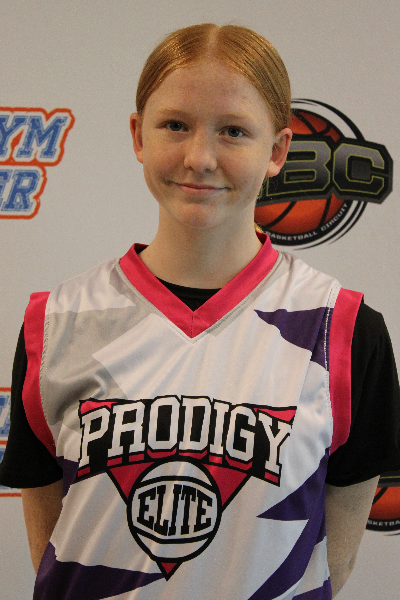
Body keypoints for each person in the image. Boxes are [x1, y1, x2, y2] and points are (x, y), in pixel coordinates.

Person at [0, 23, 399, 600]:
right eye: (175, 125)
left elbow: (335, 553)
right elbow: (52, 547)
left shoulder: (343, 329)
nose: (200, 158)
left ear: (277, 151)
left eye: (233, 131)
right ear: (138, 135)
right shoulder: (57, 322)